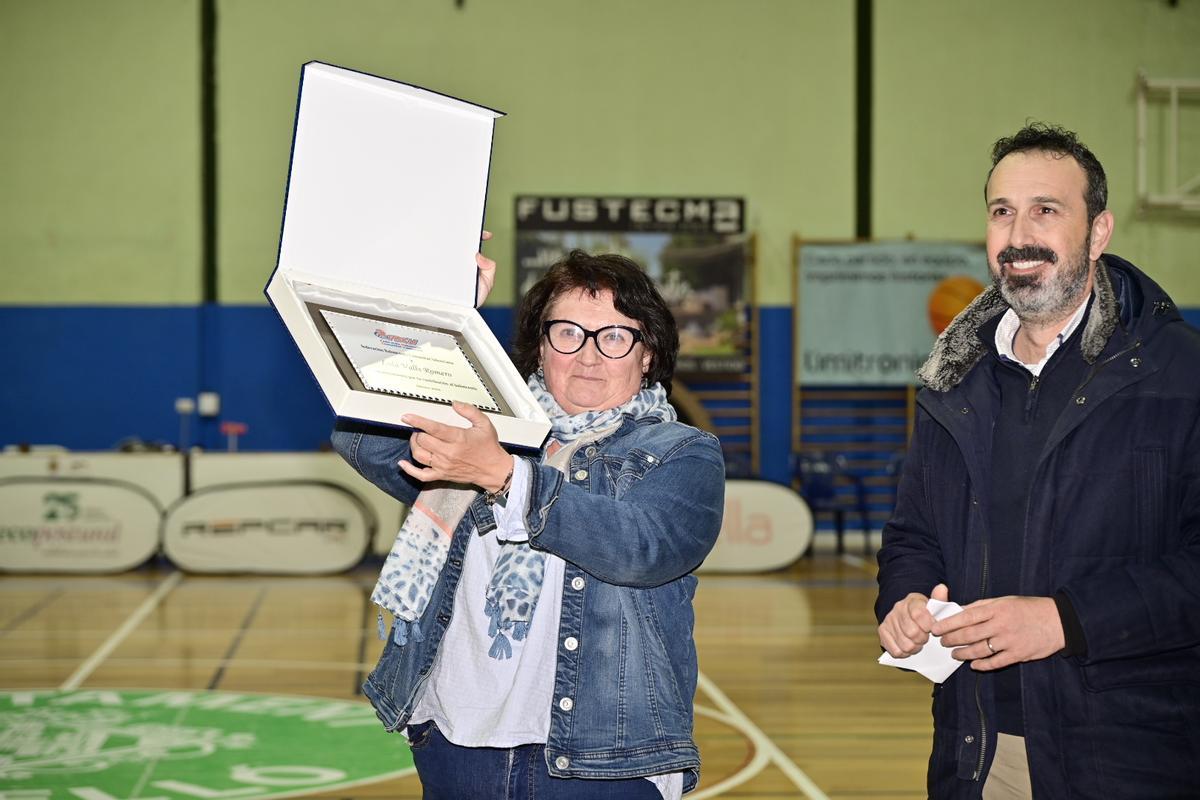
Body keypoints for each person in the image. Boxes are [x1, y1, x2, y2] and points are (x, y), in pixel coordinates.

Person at [875, 123, 1200, 799]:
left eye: (1046, 210)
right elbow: (914, 535)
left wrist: (1064, 620)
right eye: (1002, 212)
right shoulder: (949, 383)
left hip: (1135, 758)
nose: (1019, 234)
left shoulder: (1181, 374)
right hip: (977, 749)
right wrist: (905, 600)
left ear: (1099, 231)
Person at [333, 249, 725, 799]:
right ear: (541, 348)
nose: (589, 355)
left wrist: (506, 477)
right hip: (454, 743)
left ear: (647, 354)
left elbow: (642, 547)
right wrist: (443, 322)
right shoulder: (480, 431)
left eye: (615, 336)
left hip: (604, 762)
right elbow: (364, 435)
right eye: (567, 332)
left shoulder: (682, 452)